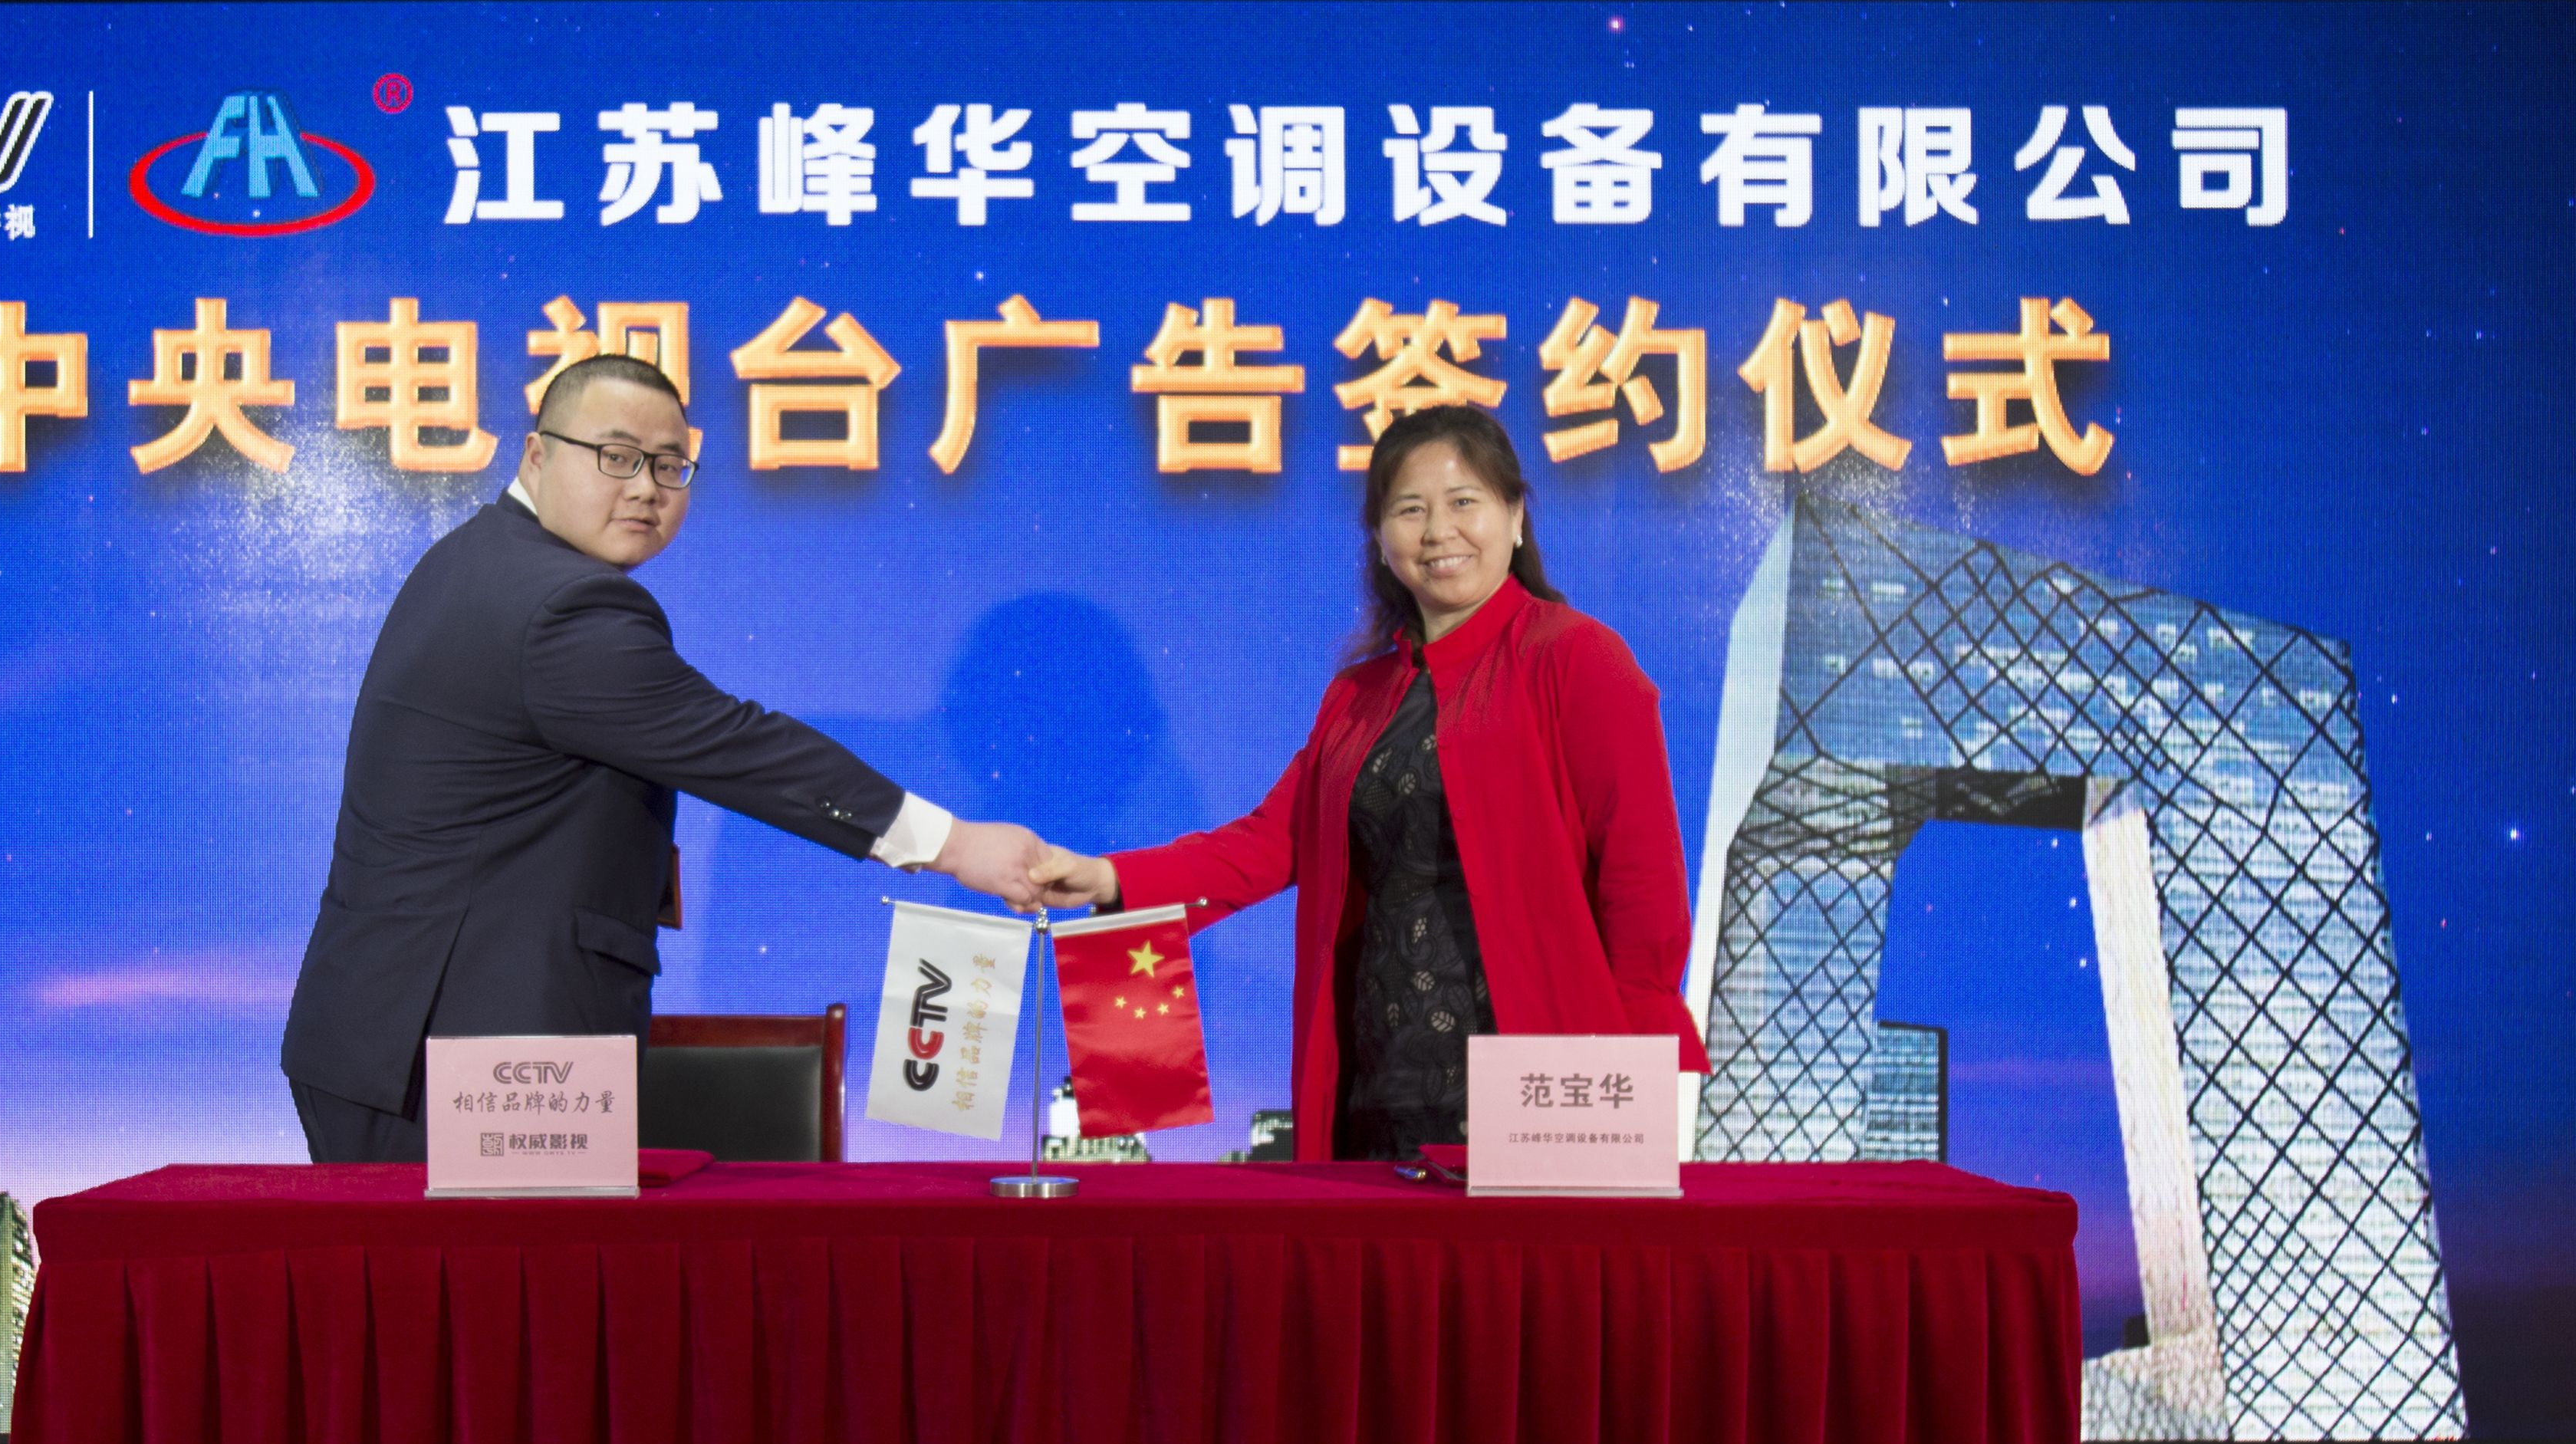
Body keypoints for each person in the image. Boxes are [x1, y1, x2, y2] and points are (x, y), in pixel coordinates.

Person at [283, 354, 1048, 1163]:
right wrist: (955, 846)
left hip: (396, 1032)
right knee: (496, 1253)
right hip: (461, 1051)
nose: (646, 488)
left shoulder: (480, 558)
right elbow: (738, 746)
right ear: (537, 456)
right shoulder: (562, 605)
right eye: (615, 457)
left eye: (669, 465)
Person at [1028, 404, 1705, 1160]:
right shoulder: (1356, 696)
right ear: (1380, 541)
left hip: (1543, 1084)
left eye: (1463, 502)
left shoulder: (1577, 659)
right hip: (1377, 1080)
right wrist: (1107, 877)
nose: (1438, 531)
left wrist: (1628, 1069)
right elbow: (1268, 842)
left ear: (1515, 516)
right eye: (1409, 510)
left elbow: (1643, 880)